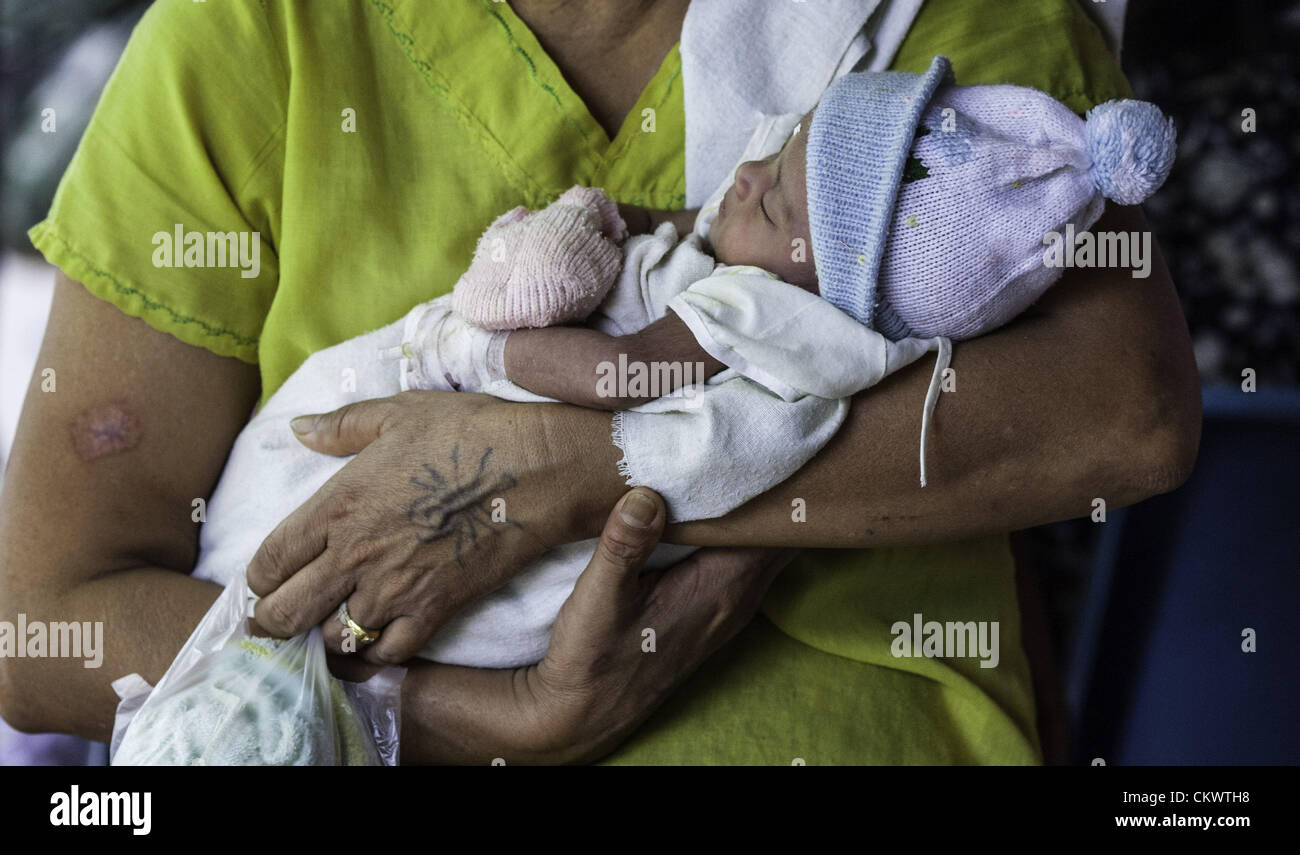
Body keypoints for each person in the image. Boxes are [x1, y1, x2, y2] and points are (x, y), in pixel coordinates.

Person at [0, 0, 1199, 764]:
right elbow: (38, 626)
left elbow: (1123, 414)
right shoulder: (254, 35)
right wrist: (474, 723)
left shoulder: (932, 47)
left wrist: (571, 474)